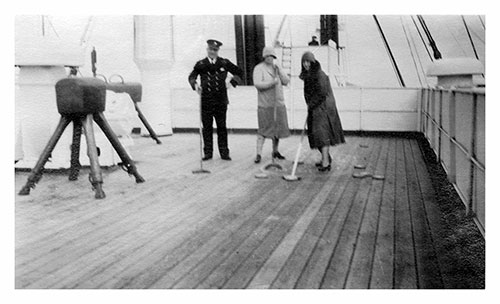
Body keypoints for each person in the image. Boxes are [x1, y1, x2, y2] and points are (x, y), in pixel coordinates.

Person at [188, 39, 243, 161]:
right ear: (207, 50)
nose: (213, 52)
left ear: (218, 51)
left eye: (215, 50)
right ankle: (208, 153)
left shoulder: (224, 63)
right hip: (206, 101)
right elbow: (191, 76)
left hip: (220, 101)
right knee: (207, 128)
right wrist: (195, 85)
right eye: (211, 49)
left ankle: (224, 152)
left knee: (221, 127)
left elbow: (240, 72)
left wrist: (232, 82)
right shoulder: (201, 64)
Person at [299, 51, 345, 171]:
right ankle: (326, 158)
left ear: (313, 62)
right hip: (315, 107)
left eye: (308, 61)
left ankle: (325, 163)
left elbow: (322, 93)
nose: (306, 64)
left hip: (324, 108)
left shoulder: (320, 74)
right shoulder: (308, 75)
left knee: (322, 134)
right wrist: (310, 104)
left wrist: (311, 104)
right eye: (304, 62)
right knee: (316, 134)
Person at [252, 47, 290, 164]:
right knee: (263, 130)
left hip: (278, 104)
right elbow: (257, 84)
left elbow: (286, 81)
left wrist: (280, 70)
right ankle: (258, 153)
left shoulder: (276, 68)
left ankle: (275, 151)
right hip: (265, 105)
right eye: (268, 56)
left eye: (272, 56)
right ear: (264, 56)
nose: (270, 58)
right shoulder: (259, 68)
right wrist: (271, 83)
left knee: (277, 130)